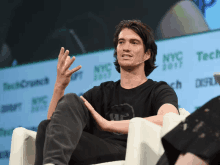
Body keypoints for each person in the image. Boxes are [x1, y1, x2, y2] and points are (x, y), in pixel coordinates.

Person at [34, 19, 180, 165]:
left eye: (134, 42)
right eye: (121, 42)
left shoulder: (158, 90)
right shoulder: (101, 92)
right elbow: (55, 126)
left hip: (129, 153)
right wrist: (59, 86)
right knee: (46, 126)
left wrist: (108, 125)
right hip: (96, 151)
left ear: (147, 54)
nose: (125, 48)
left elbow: (168, 119)